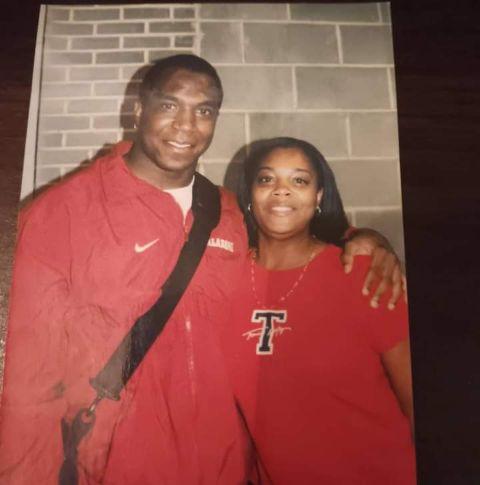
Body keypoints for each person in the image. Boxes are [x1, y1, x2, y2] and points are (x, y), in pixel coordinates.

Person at [0, 55, 404, 484]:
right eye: (170, 105)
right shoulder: (60, 214)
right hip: (117, 467)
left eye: (204, 111)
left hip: (226, 463)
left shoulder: (226, 210)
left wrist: (366, 240)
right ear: (137, 111)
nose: (186, 126)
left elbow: (290, 236)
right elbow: (26, 390)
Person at [224, 137, 415, 484]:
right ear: (249, 196)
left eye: (299, 180)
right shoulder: (224, 281)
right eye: (267, 179)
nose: (281, 191)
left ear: (319, 197)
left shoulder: (361, 274)